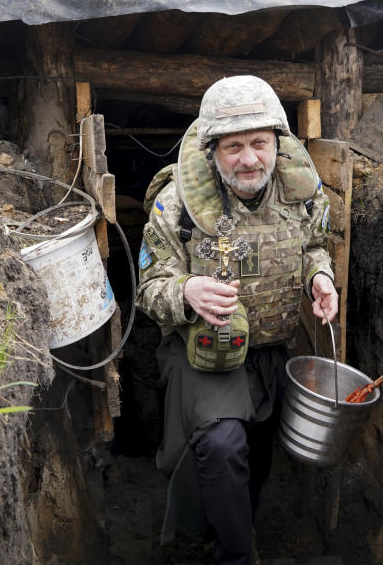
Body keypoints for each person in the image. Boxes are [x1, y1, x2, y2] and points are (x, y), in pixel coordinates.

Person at [135, 75, 338, 564]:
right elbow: (146, 288)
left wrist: (320, 277)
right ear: (212, 150)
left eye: (260, 143)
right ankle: (236, 555)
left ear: (277, 142)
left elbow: (314, 246)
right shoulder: (176, 204)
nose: (249, 159)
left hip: (270, 349)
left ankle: (227, 528)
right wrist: (186, 290)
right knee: (224, 444)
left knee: (255, 455)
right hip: (201, 352)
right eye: (234, 147)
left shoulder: (303, 194)